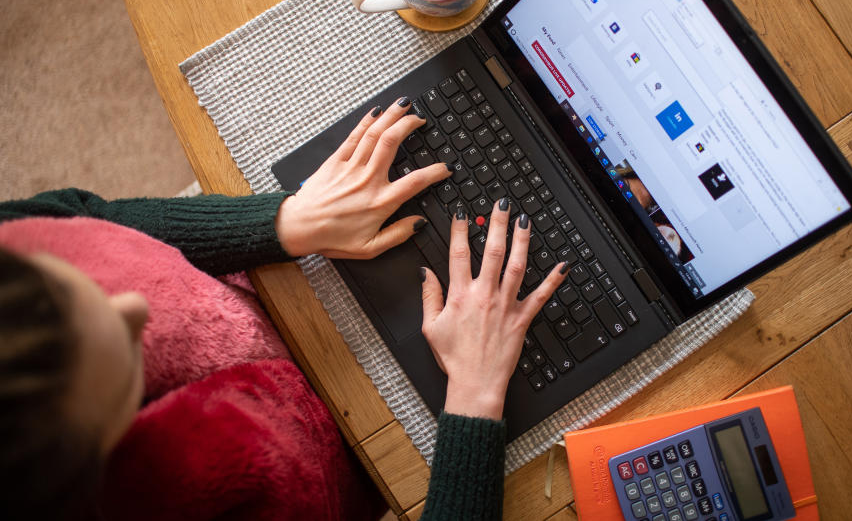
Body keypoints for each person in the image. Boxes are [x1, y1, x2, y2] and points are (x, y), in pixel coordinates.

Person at [0, 98, 567, 520]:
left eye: (79, 282)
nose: (133, 306)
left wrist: (285, 223)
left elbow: (83, 217)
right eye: (122, 354)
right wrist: (475, 393)